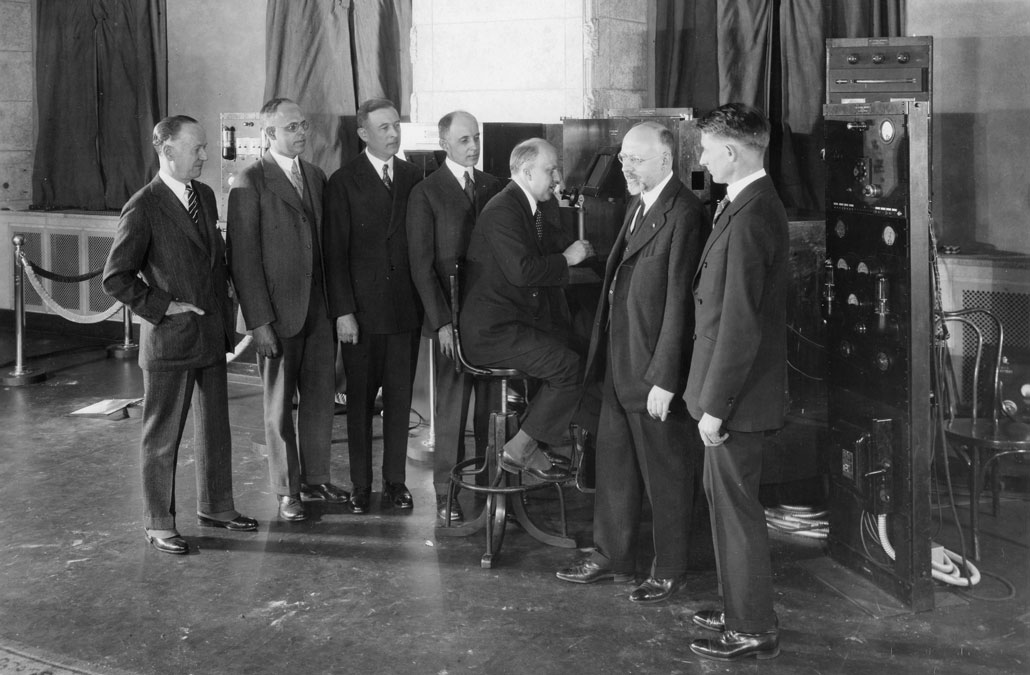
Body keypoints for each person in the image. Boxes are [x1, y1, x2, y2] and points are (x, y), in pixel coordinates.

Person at [556, 122, 705, 603]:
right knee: (616, 466)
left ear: (666, 160)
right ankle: (612, 557)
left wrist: (665, 378)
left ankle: (670, 569)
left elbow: (681, 304)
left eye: (635, 160)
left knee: (665, 474)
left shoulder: (684, 213)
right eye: (623, 158)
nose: (625, 167)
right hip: (620, 364)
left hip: (652, 372)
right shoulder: (637, 204)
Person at [103, 115, 257, 555]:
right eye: (197, 149)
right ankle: (157, 521)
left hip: (211, 333)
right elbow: (115, 277)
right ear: (168, 152)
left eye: (205, 147)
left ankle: (217, 506)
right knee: (162, 435)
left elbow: (213, 257)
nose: (206, 156)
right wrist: (164, 306)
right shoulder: (144, 204)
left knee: (215, 430)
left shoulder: (204, 196)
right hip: (171, 337)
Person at [684, 103, 789, 661]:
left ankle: (752, 625)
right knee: (723, 503)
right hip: (729, 393)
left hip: (738, 399)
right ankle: (737, 605)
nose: (700, 158)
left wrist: (715, 407)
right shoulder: (744, 204)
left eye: (705, 149)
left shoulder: (751, 214)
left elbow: (740, 324)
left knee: (737, 509)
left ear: (730, 151)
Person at [227, 98, 349, 522]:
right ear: (269, 135)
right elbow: (242, 260)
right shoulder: (250, 181)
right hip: (277, 315)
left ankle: (315, 478)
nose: (301, 133)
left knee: (320, 399)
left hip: (319, 311)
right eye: (291, 127)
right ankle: (286, 489)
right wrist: (259, 323)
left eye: (304, 125)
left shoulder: (315, 176)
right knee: (279, 407)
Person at [460, 138, 594, 481]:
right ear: (524, 170)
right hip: (493, 333)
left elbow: (549, 245)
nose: (557, 178)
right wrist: (567, 259)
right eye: (550, 170)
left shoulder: (527, 206)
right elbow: (523, 270)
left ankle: (555, 448)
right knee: (568, 367)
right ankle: (521, 447)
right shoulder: (504, 209)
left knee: (583, 352)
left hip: (512, 323)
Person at [324, 98, 423, 514]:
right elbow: (334, 254)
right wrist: (343, 312)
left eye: (396, 126)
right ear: (363, 133)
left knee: (399, 402)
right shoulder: (343, 181)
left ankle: (395, 482)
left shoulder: (414, 176)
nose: (393, 134)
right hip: (361, 316)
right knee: (360, 403)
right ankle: (361, 485)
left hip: (404, 312)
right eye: (383, 128)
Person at [406, 111, 502, 523]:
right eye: (464, 140)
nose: (474, 146)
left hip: (491, 320)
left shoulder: (493, 187)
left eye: (476, 137)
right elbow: (420, 264)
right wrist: (442, 321)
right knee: (450, 413)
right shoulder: (426, 192)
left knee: (490, 411)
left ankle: (493, 487)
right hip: (451, 321)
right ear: (444, 142)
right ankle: (447, 494)